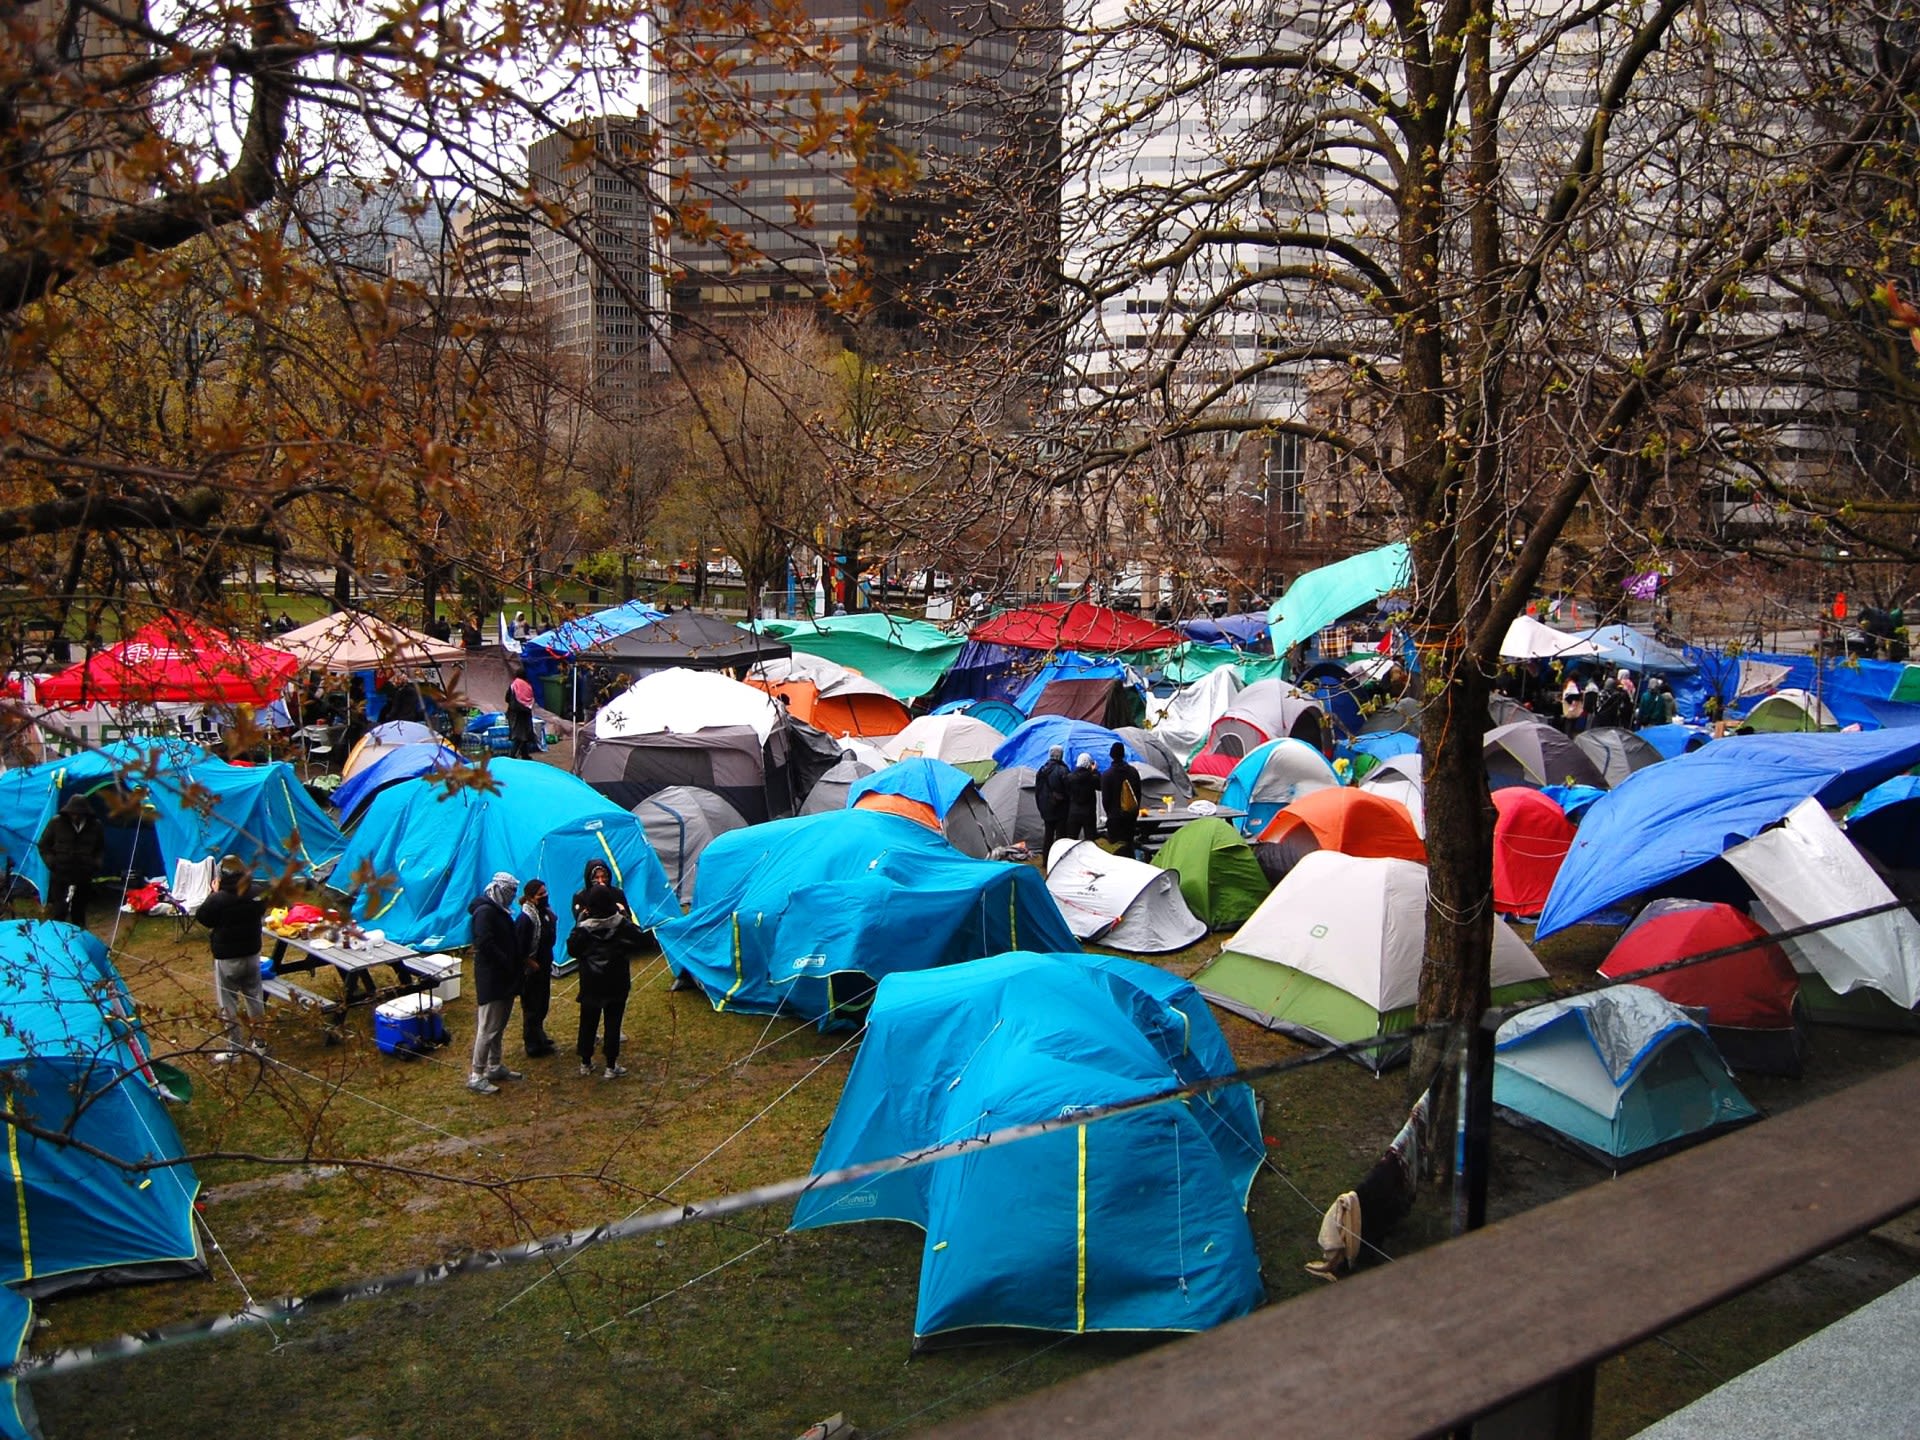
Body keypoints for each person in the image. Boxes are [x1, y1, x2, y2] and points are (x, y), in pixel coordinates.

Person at [195, 856, 269, 1062]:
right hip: (253, 954)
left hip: (227, 958)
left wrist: (215, 891)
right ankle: (260, 1043)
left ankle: (234, 1049)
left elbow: (204, 918)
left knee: (228, 1004)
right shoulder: (257, 892)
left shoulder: (218, 899)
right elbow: (262, 908)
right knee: (255, 998)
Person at [570, 881, 645, 1080]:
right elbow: (640, 940)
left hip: (591, 982)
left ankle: (585, 1062)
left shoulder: (584, 929)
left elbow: (572, 949)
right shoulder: (621, 925)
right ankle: (611, 1065)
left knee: (588, 1022)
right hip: (616, 981)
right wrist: (625, 915)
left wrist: (579, 921)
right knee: (613, 1023)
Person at [466, 872, 524, 1094]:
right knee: (488, 1028)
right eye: (510, 892)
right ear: (499, 890)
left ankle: (494, 1065)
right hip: (492, 978)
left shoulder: (499, 911)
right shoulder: (485, 913)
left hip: (505, 976)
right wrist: (506, 961)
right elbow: (485, 943)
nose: (512, 897)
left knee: (498, 1026)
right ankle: (476, 1074)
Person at [37, 793, 103, 927]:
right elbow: (43, 845)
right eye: (73, 813)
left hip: (84, 874)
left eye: (79, 814)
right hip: (60, 873)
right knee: (59, 910)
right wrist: (52, 862)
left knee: (79, 911)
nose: (76, 816)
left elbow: (100, 848)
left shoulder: (95, 826)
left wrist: (96, 863)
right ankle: (57, 940)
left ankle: (78, 939)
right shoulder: (56, 823)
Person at [516, 877, 559, 1058]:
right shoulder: (526, 919)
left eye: (545, 892)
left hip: (545, 964)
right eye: (540, 894)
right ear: (531, 898)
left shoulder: (545, 912)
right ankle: (532, 1043)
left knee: (542, 1004)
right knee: (532, 1006)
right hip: (531, 969)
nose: (545, 896)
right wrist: (528, 961)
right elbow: (518, 948)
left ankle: (539, 1035)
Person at [1101, 741, 1144, 859]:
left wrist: (1110, 813)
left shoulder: (1107, 775)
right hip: (1130, 817)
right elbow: (1138, 794)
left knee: (1116, 848)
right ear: (1123, 754)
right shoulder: (1133, 772)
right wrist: (1134, 812)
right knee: (1129, 845)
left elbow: (1106, 800)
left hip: (1114, 817)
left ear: (1111, 755)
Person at [1033, 743, 1072, 859]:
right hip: (1060, 808)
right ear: (1060, 755)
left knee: (1048, 835)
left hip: (1046, 808)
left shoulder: (1041, 770)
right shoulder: (1063, 770)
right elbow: (1068, 790)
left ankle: (1046, 859)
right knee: (1061, 836)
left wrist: (1041, 806)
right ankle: (1059, 859)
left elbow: (1037, 791)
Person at [1065, 751, 1101, 842]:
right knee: (1090, 840)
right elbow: (1100, 785)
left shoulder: (1070, 777)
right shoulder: (1092, 778)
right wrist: (1095, 770)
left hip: (1073, 812)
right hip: (1089, 813)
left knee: (1071, 839)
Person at [505, 666, 538, 760]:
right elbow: (531, 699)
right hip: (525, 713)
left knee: (518, 735)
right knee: (524, 735)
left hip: (515, 714)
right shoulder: (528, 686)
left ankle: (513, 755)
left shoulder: (514, 685)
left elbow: (507, 698)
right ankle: (523, 755)